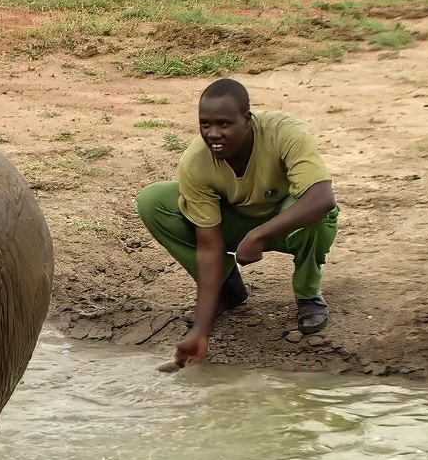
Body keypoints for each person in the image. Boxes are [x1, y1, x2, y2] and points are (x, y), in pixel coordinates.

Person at [136, 78, 339, 368]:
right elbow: (208, 247)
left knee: (319, 215)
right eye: (205, 124)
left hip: (287, 220)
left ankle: (308, 295)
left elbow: (322, 197)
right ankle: (227, 287)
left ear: (247, 119)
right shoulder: (196, 161)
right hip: (237, 222)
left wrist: (259, 235)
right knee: (153, 201)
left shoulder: (284, 133)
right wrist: (201, 332)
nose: (213, 134)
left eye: (224, 124)